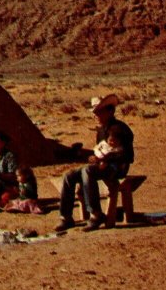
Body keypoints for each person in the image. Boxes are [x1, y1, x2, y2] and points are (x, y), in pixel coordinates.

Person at [56, 94, 134, 232]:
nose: (95, 115)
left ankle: (96, 214)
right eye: (95, 112)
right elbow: (100, 150)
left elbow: (127, 154)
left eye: (99, 112)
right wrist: (94, 158)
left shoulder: (120, 129)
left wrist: (105, 160)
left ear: (110, 111)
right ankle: (65, 217)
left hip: (118, 167)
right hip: (103, 165)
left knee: (88, 171)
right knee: (69, 175)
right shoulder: (101, 130)